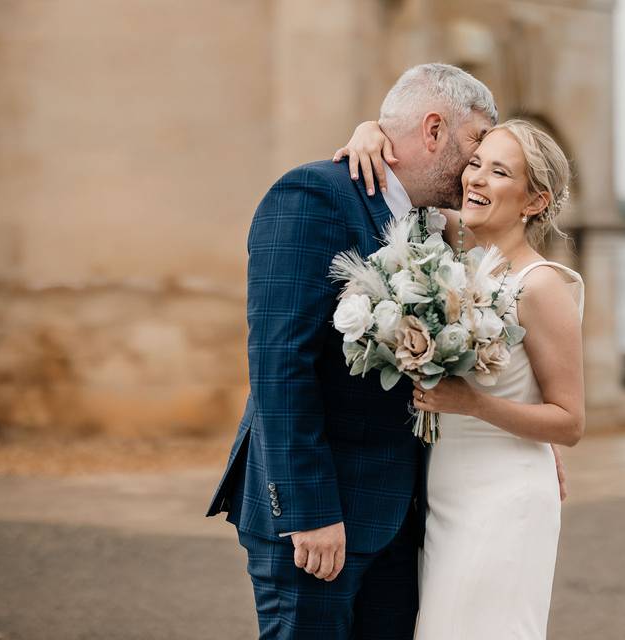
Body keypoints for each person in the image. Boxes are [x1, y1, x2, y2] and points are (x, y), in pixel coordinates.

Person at [205, 63, 497, 639]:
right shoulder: (313, 196)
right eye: (476, 142)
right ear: (434, 131)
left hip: (398, 518)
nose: (479, 166)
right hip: (322, 519)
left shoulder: (431, 224)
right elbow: (280, 364)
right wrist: (310, 512)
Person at [335, 117, 585, 638]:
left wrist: (474, 404)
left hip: (503, 497)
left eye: (498, 172)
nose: (475, 179)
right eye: (475, 164)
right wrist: (370, 130)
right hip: (444, 491)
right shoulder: (450, 251)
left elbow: (569, 421)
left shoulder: (540, 287)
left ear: (535, 201)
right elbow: (404, 180)